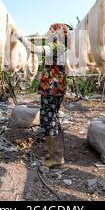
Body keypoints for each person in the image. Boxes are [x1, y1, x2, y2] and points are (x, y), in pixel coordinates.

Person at [38, 23, 68, 167]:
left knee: (50, 121)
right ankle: (54, 155)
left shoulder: (56, 46)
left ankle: (57, 158)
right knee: (53, 119)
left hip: (52, 89)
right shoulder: (59, 46)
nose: (48, 31)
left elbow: (34, 49)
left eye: (51, 29)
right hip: (53, 88)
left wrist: (19, 37)